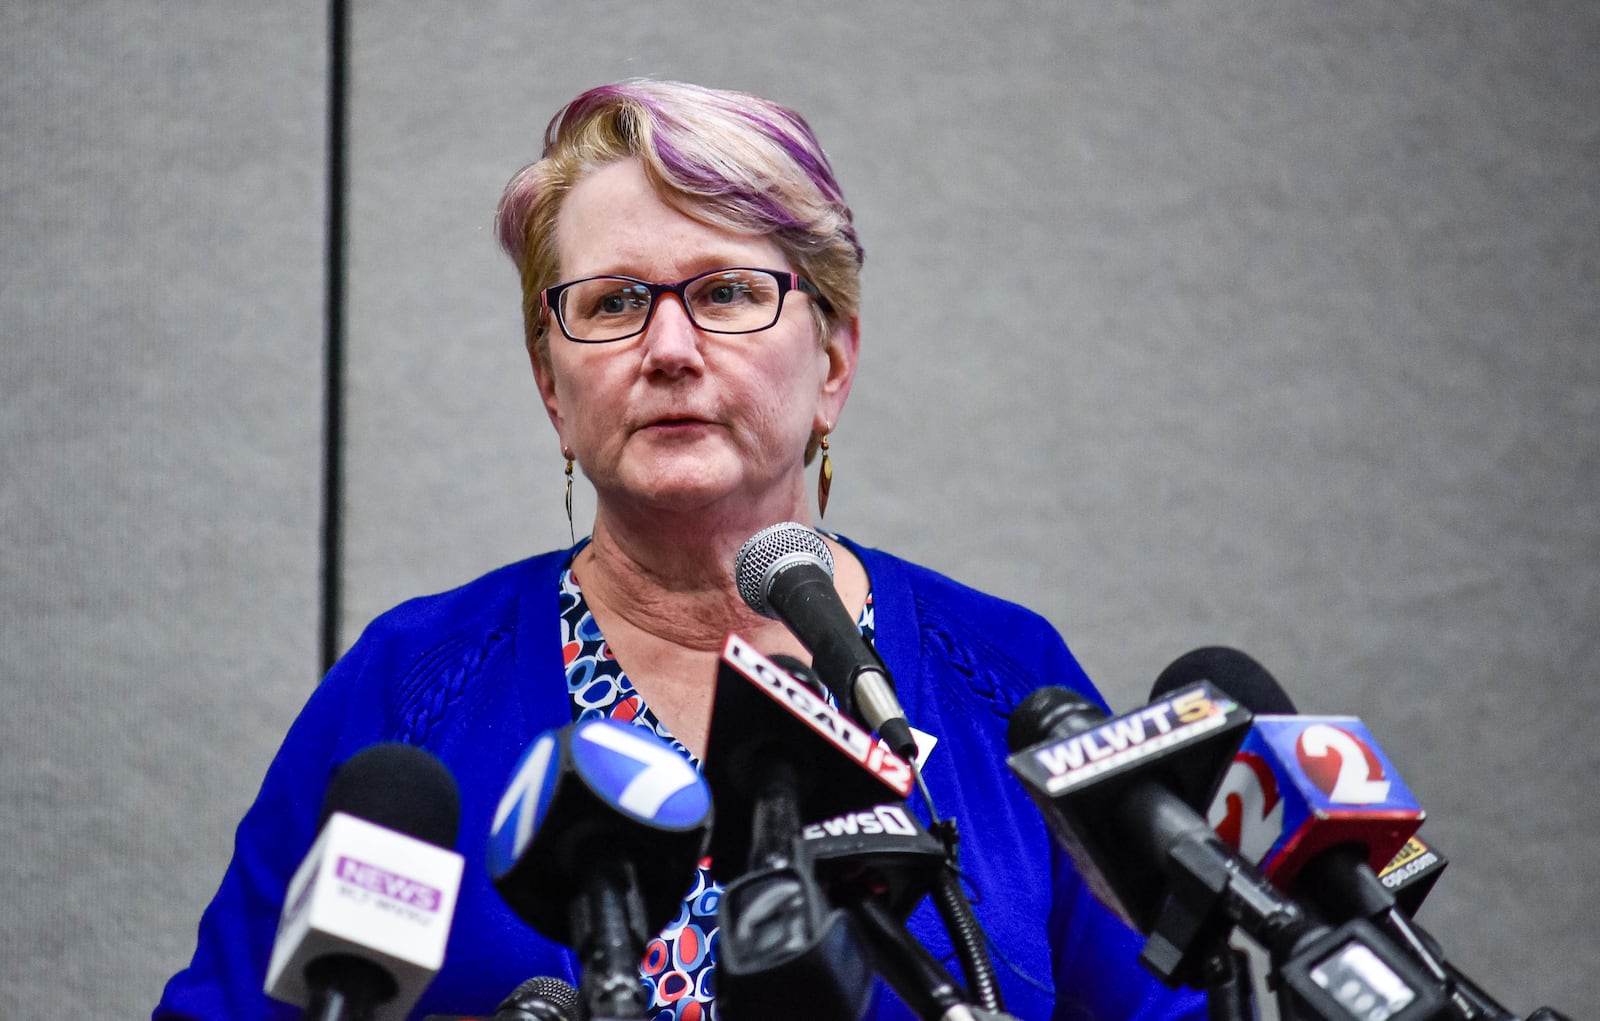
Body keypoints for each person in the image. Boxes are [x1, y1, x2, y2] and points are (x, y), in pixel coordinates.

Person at [156, 79, 1204, 1021]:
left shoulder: (1005, 679)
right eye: (613, 303)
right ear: (550, 387)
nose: (666, 350)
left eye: (726, 293)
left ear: (833, 359)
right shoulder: (408, 691)